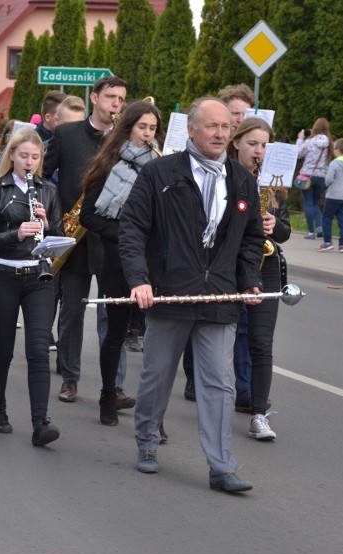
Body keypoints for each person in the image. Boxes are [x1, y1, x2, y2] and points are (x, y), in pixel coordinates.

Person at [118, 97, 263, 492]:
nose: (220, 133)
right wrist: (139, 278)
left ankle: (221, 466)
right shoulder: (160, 173)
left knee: (219, 382)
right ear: (192, 131)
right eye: (212, 126)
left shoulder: (242, 180)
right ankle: (147, 442)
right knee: (157, 376)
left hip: (219, 297)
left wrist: (249, 278)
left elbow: (252, 237)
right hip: (170, 294)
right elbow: (131, 229)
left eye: (225, 127)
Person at [42, 76, 128, 404]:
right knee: (73, 311)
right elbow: (44, 177)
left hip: (111, 238)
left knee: (112, 313)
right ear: (94, 98)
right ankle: (69, 378)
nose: (116, 104)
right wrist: (53, 217)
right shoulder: (67, 134)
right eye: (110, 97)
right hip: (72, 233)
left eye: (121, 98)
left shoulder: (126, 139)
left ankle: (115, 386)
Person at [0, 128, 63, 445]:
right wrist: (17, 234)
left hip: (38, 278)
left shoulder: (48, 191)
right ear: (12, 155)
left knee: (39, 350)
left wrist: (47, 225)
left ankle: (41, 422)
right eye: (24, 156)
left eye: (35, 157)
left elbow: (61, 238)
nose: (29, 162)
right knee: (3, 351)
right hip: (3, 276)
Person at [80, 100, 162, 426]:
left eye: (153, 128)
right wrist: (124, 234)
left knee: (156, 338)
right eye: (142, 127)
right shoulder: (108, 165)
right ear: (128, 128)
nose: (147, 134)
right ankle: (107, 396)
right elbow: (89, 216)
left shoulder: (159, 168)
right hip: (116, 259)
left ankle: (155, 411)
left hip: (151, 261)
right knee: (114, 333)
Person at [229, 117, 291, 439]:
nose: (259, 150)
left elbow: (286, 232)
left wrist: (273, 226)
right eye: (253, 143)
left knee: (261, 343)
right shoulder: (223, 175)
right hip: (229, 265)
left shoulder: (275, 185)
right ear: (236, 142)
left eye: (265, 145)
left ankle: (258, 415)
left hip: (265, 267)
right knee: (220, 340)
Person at [317, 138, 343, 253]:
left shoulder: (334, 163)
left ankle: (327, 242)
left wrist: (326, 183)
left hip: (333, 196)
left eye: (334, 148)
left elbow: (329, 180)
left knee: (327, 218)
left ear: (338, 150)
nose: (333, 150)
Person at [296, 118, 333, 239]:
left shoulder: (310, 141)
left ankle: (311, 232)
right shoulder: (329, 143)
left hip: (308, 176)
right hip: (322, 177)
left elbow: (298, 153)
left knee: (308, 203)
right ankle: (320, 227)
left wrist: (300, 139)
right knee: (314, 203)